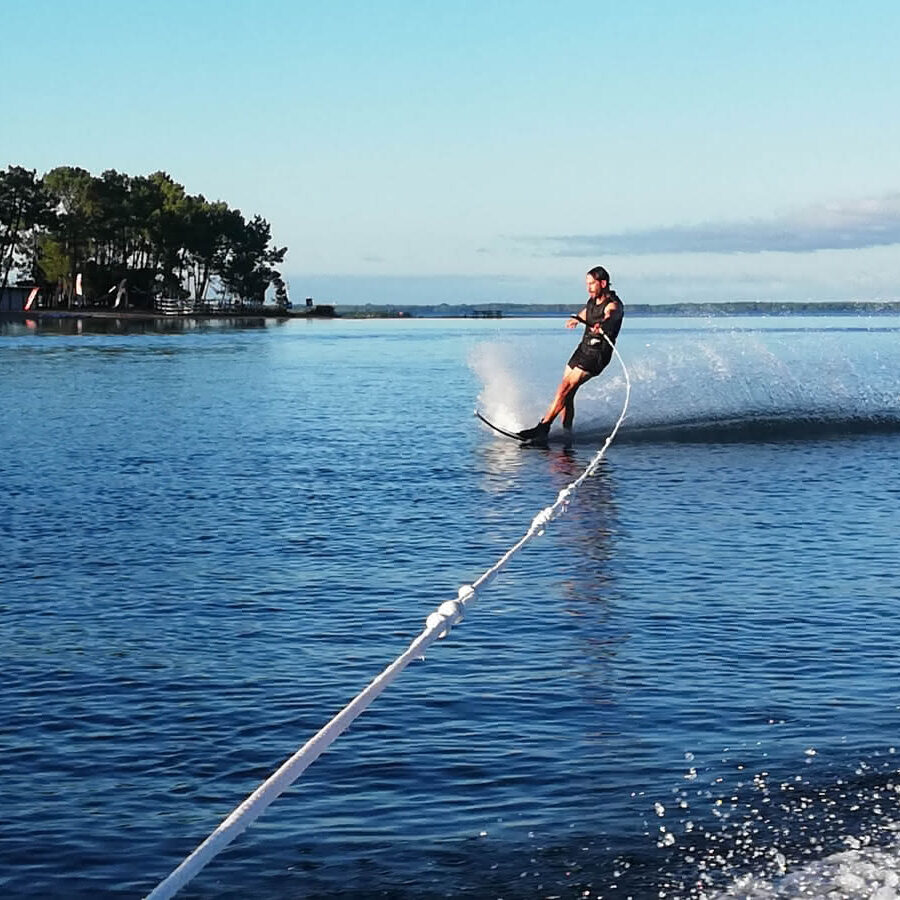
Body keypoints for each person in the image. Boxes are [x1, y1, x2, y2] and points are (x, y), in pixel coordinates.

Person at [517, 266, 624, 441]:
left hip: (597, 355)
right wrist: (577, 318)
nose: (588, 287)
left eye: (592, 284)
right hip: (583, 349)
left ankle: (543, 427)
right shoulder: (592, 300)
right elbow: (587, 311)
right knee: (568, 393)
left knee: (564, 388)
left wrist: (602, 324)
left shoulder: (614, 304)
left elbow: (610, 314)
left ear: (603, 283)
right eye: (587, 284)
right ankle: (567, 434)